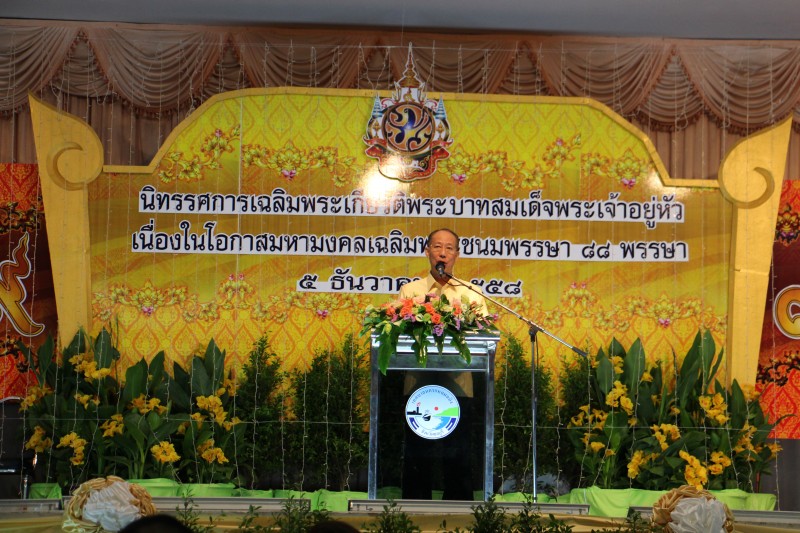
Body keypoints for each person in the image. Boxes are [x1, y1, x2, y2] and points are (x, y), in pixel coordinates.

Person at [397, 228, 487, 501]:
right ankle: (413, 506)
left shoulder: (471, 293)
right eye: (437, 247)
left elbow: (483, 334)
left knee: (458, 451)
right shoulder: (410, 291)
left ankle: (459, 509)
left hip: (458, 383)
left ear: (457, 255)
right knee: (418, 450)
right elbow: (398, 332)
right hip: (419, 384)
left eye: (449, 248)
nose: (443, 253)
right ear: (427, 251)